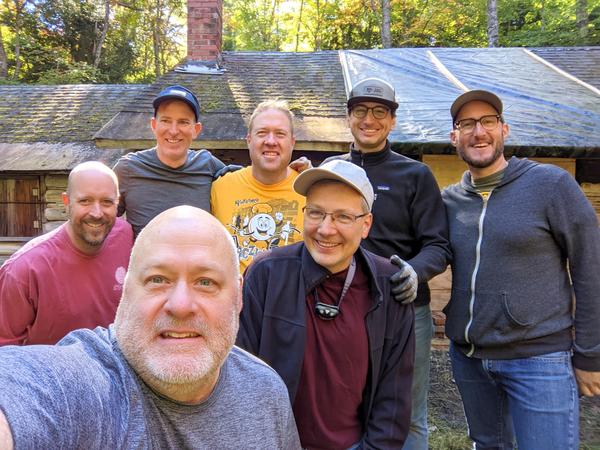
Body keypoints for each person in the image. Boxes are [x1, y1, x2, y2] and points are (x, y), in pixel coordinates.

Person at [0, 206, 301, 449]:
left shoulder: (266, 392)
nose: (181, 305)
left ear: (237, 298)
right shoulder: (87, 386)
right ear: (125, 292)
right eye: (158, 279)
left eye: (206, 282)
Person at [442, 89, 600, 449]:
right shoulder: (449, 201)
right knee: (488, 445)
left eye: (488, 121)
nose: (477, 132)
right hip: (470, 358)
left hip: (538, 359)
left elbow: (591, 268)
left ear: (505, 129)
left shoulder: (550, 185)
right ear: (454, 137)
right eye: (466, 124)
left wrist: (591, 352)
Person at [237, 160, 415, 449]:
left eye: (343, 217)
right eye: (316, 212)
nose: (325, 229)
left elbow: (393, 398)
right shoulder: (266, 274)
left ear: (366, 224)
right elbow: (240, 376)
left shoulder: (390, 286)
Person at [324, 77, 451, 449]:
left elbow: (438, 245)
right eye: (361, 111)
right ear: (348, 117)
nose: (370, 119)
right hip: (345, 308)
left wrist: (416, 270)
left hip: (407, 310)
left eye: (380, 112)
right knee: (347, 405)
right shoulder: (333, 170)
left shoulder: (415, 175)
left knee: (407, 414)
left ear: (392, 121)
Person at [0, 161, 133, 346]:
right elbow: (6, 354)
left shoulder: (126, 237)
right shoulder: (23, 271)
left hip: (116, 371)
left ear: (117, 202)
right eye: (85, 201)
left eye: (107, 202)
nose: (96, 213)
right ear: (66, 202)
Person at [113, 85, 226, 236]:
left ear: (196, 130)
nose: (173, 131)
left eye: (183, 122)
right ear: (153, 125)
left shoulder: (209, 165)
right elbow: (101, 219)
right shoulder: (127, 169)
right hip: (147, 259)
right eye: (166, 120)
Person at [211, 100, 305, 272]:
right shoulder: (220, 188)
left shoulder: (309, 189)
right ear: (249, 140)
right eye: (262, 133)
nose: (271, 141)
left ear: (292, 142)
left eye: (280, 134)